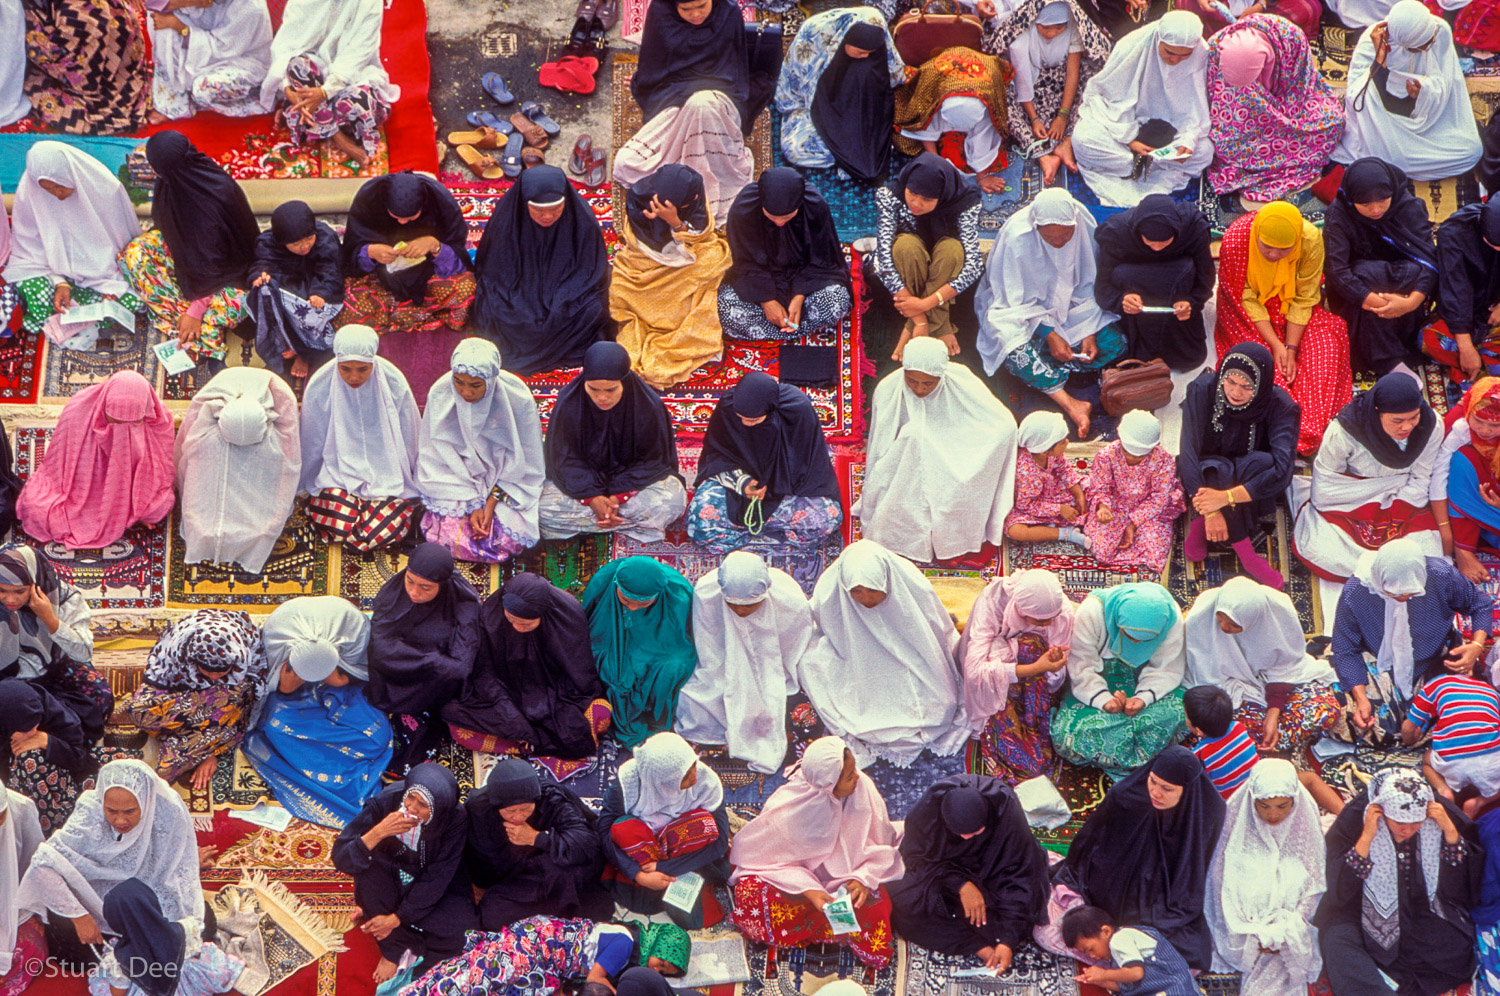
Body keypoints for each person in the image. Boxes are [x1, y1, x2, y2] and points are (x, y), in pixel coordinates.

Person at [729, 737, 905, 968]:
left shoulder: (863, 789)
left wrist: (862, 878)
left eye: (854, 771)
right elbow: (768, 859)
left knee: (875, 907)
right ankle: (833, 927)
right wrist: (809, 889)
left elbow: (879, 843)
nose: (857, 779)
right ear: (828, 785)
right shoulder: (792, 806)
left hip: (849, 879)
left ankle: (821, 926)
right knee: (750, 895)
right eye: (849, 777)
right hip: (801, 884)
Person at [1051, 746, 1227, 971]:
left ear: (1187, 791)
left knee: (1182, 948)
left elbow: (1195, 871)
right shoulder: (1125, 795)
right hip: (1112, 880)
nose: (1155, 792)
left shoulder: (1206, 812)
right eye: (1152, 781)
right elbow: (1088, 842)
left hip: (1165, 893)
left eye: (1167, 788)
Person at [16, 760, 208, 962]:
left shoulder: (167, 809)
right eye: (112, 811)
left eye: (129, 812)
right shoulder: (91, 811)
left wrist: (186, 861)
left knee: (198, 926)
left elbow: (175, 858)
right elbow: (42, 863)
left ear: (146, 801)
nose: (120, 821)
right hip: (95, 900)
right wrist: (80, 917)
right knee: (72, 948)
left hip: (144, 900)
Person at [797, 539, 968, 766]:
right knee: (809, 663)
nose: (866, 599)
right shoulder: (830, 590)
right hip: (855, 654)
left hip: (912, 653)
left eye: (874, 590)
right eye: (856, 591)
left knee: (940, 703)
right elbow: (827, 628)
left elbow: (935, 631)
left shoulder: (910, 584)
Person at [1315, 768, 1482, 996]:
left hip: (1425, 908)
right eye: (1399, 822)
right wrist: (1367, 838)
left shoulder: (1436, 813)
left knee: (1457, 950)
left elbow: (1460, 887)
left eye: (1416, 823)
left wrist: (1449, 830)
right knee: (1338, 943)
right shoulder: (1357, 818)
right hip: (1361, 911)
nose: (1408, 830)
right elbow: (1339, 893)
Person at [858, 336, 1017, 563]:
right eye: (912, 381)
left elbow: (1003, 424)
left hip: (953, 451)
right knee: (912, 440)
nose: (919, 389)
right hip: (905, 463)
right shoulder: (887, 389)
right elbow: (881, 443)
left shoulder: (961, 378)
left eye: (928, 383)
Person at [978, 190, 1122, 436]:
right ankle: (1070, 402)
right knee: (1009, 345)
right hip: (1021, 315)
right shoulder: (1017, 236)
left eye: (1066, 235)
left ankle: (1051, 369)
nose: (1059, 241)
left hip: (1072, 310)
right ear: (1036, 227)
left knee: (1115, 342)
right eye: (1050, 237)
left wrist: (1088, 330)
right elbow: (1011, 301)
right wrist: (1048, 333)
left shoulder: (1082, 221)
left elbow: (1088, 283)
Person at [1214, 202, 1352, 456]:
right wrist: (1276, 346)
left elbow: (1306, 297)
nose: (1274, 255)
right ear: (1256, 237)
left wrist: (1291, 347)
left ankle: (1307, 428)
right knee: (1260, 366)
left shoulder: (1309, 239)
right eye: (1267, 248)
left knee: (1327, 338)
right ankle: (1290, 429)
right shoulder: (1237, 241)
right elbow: (1243, 299)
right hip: (1246, 314)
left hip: (1292, 309)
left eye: (1284, 250)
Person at [244, 595, 392, 828]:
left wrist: (336, 679)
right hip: (294, 701)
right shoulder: (278, 643)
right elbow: (264, 698)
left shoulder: (351, 632)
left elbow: (359, 674)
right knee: (273, 727)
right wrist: (285, 688)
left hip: (343, 690)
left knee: (375, 738)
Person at [120, 132, 257, 373]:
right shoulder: (174, 179)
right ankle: (189, 326)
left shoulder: (214, 199)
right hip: (189, 263)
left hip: (230, 278)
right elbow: (165, 225)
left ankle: (191, 326)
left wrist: (196, 310)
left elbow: (215, 267)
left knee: (231, 307)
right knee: (136, 254)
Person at [332, 762, 479, 984]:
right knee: (368, 870)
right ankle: (395, 949)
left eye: (423, 804)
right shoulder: (388, 800)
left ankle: (388, 921)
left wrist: (396, 918)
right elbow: (342, 858)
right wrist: (379, 831)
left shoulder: (455, 818)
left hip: (433, 882)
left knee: (462, 937)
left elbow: (437, 877)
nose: (411, 808)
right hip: (388, 873)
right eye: (410, 797)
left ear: (439, 808)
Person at [1332, 537, 1494, 736]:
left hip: (1437, 659)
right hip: (1381, 665)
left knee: (1470, 717)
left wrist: (1476, 646)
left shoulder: (1440, 574)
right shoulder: (1356, 591)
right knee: (1353, 719)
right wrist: (1361, 698)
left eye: (1411, 593)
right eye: (1393, 593)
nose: (1402, 599)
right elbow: (1345, 648)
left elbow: (1480, 604)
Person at [1292, 372, 1444, 582]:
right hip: (1350, 504)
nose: (1407, 427)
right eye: (1397, 420)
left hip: (1401, 500)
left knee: (1428, 555)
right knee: (1323, 552)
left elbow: (1422, 477)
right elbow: (1326, 488)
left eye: (1413, 417)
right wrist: (1371, 501)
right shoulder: (1344, 431)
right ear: (1377, 412)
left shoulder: (1431, 426)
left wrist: (1395, 508)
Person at [442, 574, 610, 761]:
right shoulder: (493, 612)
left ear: (543, 615)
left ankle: (522, 741)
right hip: (505, 686)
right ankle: (525, 737)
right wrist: (507, 709)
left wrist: (544, 705)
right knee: (451, 710)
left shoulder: (567, 616)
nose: (516, 627)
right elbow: (484, 669)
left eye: (525, 624)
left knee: (583, 727)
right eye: (511, 620)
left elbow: (577, 671)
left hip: (554, 691)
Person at [890, 775, 1049, 972]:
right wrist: (961, 885)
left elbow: (1019, 872)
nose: (966, 839)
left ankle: (988, 937)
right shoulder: (930, 811)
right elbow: (916, 859)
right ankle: (977, 945)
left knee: (1022, 913)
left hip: (994, 876)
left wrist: (1007, 940)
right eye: (960, 833)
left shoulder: (1005, 810)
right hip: (946, 875)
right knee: (903, 902)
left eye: (975, 833)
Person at [675, 551, 811, 773]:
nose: (740, 611)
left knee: (802, 699)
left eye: (749, 605)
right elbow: (709, 648)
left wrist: (766, 680)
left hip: (778, 669)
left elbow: (794, 647)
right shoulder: (707, 592)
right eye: (732, 604)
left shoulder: (789, 597)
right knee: (692, 700)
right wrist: (735, 680)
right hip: (722, 665)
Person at [1177, 344, 1300, 588]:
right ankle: (1245, 551)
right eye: (1230, 381)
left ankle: (1207, 527)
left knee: (1263, 462)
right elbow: (1188, 450)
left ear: (1262, 385)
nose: (1235, 392)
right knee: (1214, 467)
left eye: (1247, 386)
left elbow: (1282, 470)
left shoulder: (1281, 406)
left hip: (1249, 477)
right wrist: (1210, 510)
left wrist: (1226, 498)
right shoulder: (1202, 390)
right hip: (1208, 473)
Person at [618, 0, 752, 221]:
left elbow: (735, 66)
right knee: (626, 164)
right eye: (686, 9)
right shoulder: (661, 12)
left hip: (717, 97)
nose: (696, 15)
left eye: (701, 6)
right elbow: (654, 62)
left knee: (702, 104)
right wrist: (641, 79)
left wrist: (700, 95)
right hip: (673, 96)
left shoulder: (728, 12)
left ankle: (694, 186)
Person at [539, 342, 686, 544]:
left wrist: (618, 497)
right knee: (541, 507)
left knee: (673, 500)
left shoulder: (649, 406)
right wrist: (592, 498)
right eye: (593, 389)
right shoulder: (568, 402)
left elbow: (654, 461)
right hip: (581, 484)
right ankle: (627, 523)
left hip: (632, 487)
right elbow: (563, 460)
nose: (602, 397)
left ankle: (601, 520)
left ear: (624, 381)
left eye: (610, 389)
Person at [1064, 12, 1213, 208]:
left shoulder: (1200, 53)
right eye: (1169, 52)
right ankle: (1142, 165)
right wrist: (1130, 139)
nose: (1175, 60)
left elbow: (1197, 108)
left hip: (1168, 136)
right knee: (1083, 140)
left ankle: (1140, 165)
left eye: (1184, 55)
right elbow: (1111, 97)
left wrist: (1188, 139)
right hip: (1124, 129)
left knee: (1205, 152)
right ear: (1158, 39)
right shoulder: (1132, 45)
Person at [1183, 577, 1342, 761]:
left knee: (1326, 709)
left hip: (1276, 684)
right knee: (1221, 725)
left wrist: (1273, 714)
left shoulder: (1276, 612)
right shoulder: (1204, 613)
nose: (1224, 627)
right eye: (1220, 619)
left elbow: (1285, 666)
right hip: (1228, 694)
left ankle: (1252, 746)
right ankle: (1261, 744)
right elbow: (1207, 679)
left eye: (1234, 624)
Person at [473, 166, 612, 376]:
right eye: (538, 210)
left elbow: (591, 272)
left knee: (593, 309)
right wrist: (521, 302)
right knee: (493, 309)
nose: (547, 216)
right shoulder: (506, 223)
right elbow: (495, 274)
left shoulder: (583, 222)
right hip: (517, 291)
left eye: (556, 208)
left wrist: (561, 300)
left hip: (568, 293)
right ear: (524, 204)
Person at [415, 338, 544, 564]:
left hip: (505, 485)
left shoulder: (517, 398)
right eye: (459, 382)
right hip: (456, 485)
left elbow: (526, 462)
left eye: (475, 385)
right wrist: (472, 502)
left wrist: (491, 501)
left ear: (491, 381)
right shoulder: (441, 393)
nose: (465, 392)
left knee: (503, 539)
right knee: (446, 536)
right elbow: (435, 457)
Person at [1205, 759, 1327, 993]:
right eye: (1264, 805)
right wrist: (1254, 934)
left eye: (1282, 806)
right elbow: (1219, 881)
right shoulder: (1235, 816)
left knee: (1292, 875)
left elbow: (1314, 882)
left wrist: (1288, 927)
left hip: (1288, 918)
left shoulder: (1304, 819)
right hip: (1245, 922)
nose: (1273, 815)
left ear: (1295, 799)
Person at [16, 370, 174, 550]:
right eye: (114, 422)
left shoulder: (160, 419)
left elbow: (161, 464)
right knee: (38, 510)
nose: (122, 431)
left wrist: (138, 503)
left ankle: (133, 513)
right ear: (103, 409)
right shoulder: (77, 410)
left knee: (161, 505)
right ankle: (125, 516)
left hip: (136, 480)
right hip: (85, 485)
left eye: (132, 424)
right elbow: (63, 461)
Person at [3, 142, 142, 346]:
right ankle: (73, 310)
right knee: (35, 293)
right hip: (51, 271)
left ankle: (85, 309)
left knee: (132, 302)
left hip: (102, 276)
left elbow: (121, 247)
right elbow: (31, 249)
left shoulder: (104, 189)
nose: (57, 194)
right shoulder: (32, 193)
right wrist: (60, 282)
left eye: (60, 186)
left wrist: (111, 286)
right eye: (49, 190)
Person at [0, 545, 110, 804]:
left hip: (53, 673)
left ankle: (48, 736)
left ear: (36, 584)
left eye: (19, 591)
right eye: (2, 591)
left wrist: (48, 617)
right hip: (7, 684)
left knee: (98, 696)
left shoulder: (65, 598)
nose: (10, 600)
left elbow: (82, 651)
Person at [687, 372, 843, 553]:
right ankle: (774, 534)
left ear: (771, 410)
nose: (744, 423)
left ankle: (745, 533)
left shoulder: (797, 410)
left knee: (827, 518)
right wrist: (742, 482)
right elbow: (716, 454)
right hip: (737, 486)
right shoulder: (729, 405)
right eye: (740, 418)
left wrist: (775, 484)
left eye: (752, 420)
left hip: (790, 490)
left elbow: (807, 465)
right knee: (698, 521)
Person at [298, 325, 422, 552]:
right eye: (345, 369)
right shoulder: (320, 383)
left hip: (388, 477)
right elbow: (312, 438)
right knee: (339, 523)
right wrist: (306, 477)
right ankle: (349, 523)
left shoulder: (393, 380)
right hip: (336, 476)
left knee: (376, 532)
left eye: (363, 369)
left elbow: (409, 431)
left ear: (373, 363)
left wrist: (415, 473)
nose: (353, 377)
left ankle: (362, 527)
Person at [611, 165, 733, 391]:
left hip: (685, 254)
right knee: (622, 289)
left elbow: (701, 232)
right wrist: (659, 223)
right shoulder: (640, 196)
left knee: (716, 257)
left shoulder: (693, 196)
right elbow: (646, 244)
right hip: (647, 262)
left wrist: (675, 222)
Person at [1333, 1, 1483, 183]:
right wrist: (1380, 62)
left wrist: (1424, 91)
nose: (1431, 45)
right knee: (1390, 158)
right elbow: (1358, 101)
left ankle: (1396, 164)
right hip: (1388, 125)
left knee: (1471, 150)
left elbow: (1448, 85)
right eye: (1419, 47)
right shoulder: (1369, 43)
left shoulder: (1439, 30)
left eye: (1430, 40)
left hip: (1432, 119)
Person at [1050, 582, 1188, 778]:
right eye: (1128, 635)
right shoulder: (1092, 612)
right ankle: (1142, 749)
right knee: (1066, 736)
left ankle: (1116, 745)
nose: (1135, 644)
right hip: (1098, 686)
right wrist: (1105, 702)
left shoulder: (1169, 616)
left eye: (1145, 640)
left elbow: (1167, 668)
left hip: (1145, 683)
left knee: (1184, 710)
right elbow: (1082, 667)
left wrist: (1142, 699)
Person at [122, 609, 269, 789]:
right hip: (192, 701)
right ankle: (204, 745)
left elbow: (254, 694)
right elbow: (156, 686)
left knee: (170, 765)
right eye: (207, 671)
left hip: (229, 699)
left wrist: (217, 695)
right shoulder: (176, 649)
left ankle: (200, 746)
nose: (214, 678)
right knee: (139, 713)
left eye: (222, 672)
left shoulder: (245, 645)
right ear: (193, 660)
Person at [1204, 15, 1343, 206]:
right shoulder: (1216, 48)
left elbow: (1300, 88)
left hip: (1293, 105)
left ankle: (1264, 158)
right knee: (1225, 146)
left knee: (1333, 122)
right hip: (1241, 111)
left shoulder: (1290, 37)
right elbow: (1219, 105)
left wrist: (1280, 118)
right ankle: (1281, 156)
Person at [368, 543, 481, 776]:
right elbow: (380, 645)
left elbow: (461, 664)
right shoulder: (394, 591)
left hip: (435, 672)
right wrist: (428, 659)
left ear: (442, 584)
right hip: (411, 662)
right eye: (410, 581)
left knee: (456, 680)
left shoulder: (462, 602)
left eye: (426, 588)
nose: (414, 593)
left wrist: (433, 662)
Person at [174, 367, 300, 574]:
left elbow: (286, 474)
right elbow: (193, 477)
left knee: (262, 530)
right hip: (219, 438)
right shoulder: (205, 437)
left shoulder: (275, 440)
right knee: (202, 526)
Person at [598, 732, 730, 927]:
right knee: (623, 827)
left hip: (682, 849)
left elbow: (719, 843)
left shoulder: (705, 782)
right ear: (662, 781)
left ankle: (668, 881)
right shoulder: (629, 782)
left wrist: (663, 868)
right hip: (644, 851)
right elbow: (604, 830)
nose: (694, 777)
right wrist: (638, 875)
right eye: (685, 776)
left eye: (693, 765)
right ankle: (653, 885)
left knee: (705, 824)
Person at [464, 758, 611, 929]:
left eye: (526, 809)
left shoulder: (550, 799)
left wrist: (537, 838)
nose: (518, 817)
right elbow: (479, 861)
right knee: (492, 915)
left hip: (549, 871)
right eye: (510, 811)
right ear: (496, 805)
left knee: (586, 895)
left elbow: (585, 842)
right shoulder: (479, 809)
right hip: (517, 882)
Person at [1323, 159, 1438, 378]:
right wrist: (1382, 305)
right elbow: (1337, 271)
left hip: (1402, 288)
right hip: (1361, 293)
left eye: (1383, 201)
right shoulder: (1339, 216)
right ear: (1351, 199)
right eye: (1365, 205)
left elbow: (1430, 260)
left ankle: (1396, 347)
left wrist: (1410, 303)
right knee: (1366, 274)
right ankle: (1387, 360)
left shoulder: (1408, 206)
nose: (1376, 210)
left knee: (1416, 273)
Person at [959, 569, 1075, 784]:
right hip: (996, 681)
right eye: (1040, 621)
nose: (1048, 624)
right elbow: (974, 671)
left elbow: (1054, 683)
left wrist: (1054, 666)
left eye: (1052, 619)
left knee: (1033, 645)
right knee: (1024, 764)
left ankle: (1029, 724)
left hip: (1032, 681)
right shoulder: (995, 602)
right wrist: (1034, 668)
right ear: (1021, 610)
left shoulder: (1061, 613)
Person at [395, 917, 693, 996]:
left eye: (666, 972)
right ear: (656, 946)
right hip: (538, 946)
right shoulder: (625, 943)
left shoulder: (627, 954)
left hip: (543, 955)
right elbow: (594, 981)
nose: (658, 971)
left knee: (495, 982)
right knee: (482, 976)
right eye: (662, 962)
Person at [870, 154, 984, 359]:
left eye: (927, 199)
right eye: (912, 193)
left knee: (953, 250)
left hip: (944, 265)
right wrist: (920, 317)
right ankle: (939, 325)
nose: (916, 203)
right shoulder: (890, 196)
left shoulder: (965, 202)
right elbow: (883, 258)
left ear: (943, 195)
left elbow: (974, 266)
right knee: (905, 246)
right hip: (909, 264)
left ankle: (910, 327)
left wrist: (925, 304)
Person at [258, 0, 398, 166]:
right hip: (313, 68)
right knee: (296, 67)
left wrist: (325, 92)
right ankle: (339, 137)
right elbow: (285, 45)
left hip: (351, 75)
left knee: (358, 103)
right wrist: (287, 88)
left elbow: (359, 53)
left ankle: (297, 112)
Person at [718, 169, 852, 342]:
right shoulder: (744, 208)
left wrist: (800, 295)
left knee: (837, 301)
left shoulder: (815, 206)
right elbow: (742, 261)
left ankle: (777, 330)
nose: (780, 223)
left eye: (788, 216)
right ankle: (795, 330)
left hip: (808, 278)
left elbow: (823, 259)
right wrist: (766, 301)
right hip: (756, 281)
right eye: (772, 216)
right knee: (725, 309)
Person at [987, 0, 1111, 185]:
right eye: (1044, 27)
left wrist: (1063, 115)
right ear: (1035, 20)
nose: (1051, 34)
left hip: (1062, 88)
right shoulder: (1021, 34)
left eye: (1058, 27)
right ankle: (1043, 156)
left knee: (1093, 83)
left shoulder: (1074, 28)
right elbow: (1022, 79)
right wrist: (1034, 118)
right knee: (1000, 93)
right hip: (1028, 92)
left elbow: (1072, 74)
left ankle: (1067, 142)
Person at [338, 172, 475, 340]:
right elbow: (350, 253)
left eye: (411, 218)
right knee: (345, 302)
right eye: (395, 217)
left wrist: (434, 245)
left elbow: (459, 259)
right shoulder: (370, 199)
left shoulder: (440, 203)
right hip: (380, 281)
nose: (402, 223)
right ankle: (421, 317)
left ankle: (393, 319)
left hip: (428, 279)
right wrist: (370, 252)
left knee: (466, 289)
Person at [580, 557, 697, 749]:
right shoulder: (604, 581)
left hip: (661, 642)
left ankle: (656, 722)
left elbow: (683, 638)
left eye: (642, 604)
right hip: (611, 635)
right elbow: (589, 622)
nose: (632, 607)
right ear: (616, 586)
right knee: (612, 668)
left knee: (673, 667)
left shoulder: (678, 593)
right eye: (626, 600)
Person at [775, 10, 905, 182]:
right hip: (820, 107)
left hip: (860, 115)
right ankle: (846, 156)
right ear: (842, 41)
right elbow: (794, 88)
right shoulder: (817, 36)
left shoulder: (874, 25)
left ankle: (848, 156)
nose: (866, 56)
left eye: (870, 52)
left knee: (878, 150)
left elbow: (890, 82)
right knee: (795, 149)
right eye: (860, 52)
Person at [1091, 194, 1215, 372]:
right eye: (1149, 242)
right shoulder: (1116, 233)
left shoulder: (1193, 229)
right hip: (1133, 298)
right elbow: (1102, 286)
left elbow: (1205, 275)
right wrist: (1122, 300)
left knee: (1189, 358)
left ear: (1177, 232)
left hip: (1176, 293)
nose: (1156, 249)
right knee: (1127, 358)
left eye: (1164, 242)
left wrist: (1191, 302)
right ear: (1138, 231)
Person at [88, 878, 245, 996]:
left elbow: (118, 992)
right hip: (185, 984)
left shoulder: (121, 958)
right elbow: (197, 953)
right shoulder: (185, 928)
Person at [249, 201, 346, 381]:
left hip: (317, 283)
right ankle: (291, 341)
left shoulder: (324, 236)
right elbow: (263, 264)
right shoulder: (268, 243)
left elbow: (330, 270)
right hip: (288, 284)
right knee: (266, 294)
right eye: (296, 243)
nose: (305, 246)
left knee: (314, 312)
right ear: (281, 241)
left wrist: (321, 293)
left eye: (309, 239)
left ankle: (304, 354)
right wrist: (260, 275)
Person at [894, 47, 1012, 193]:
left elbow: (984, 136)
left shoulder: (988, 102)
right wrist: (936, 165)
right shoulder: (933, 92)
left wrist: (981, 175)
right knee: (907, 141)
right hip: (943, 76)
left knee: (985, 153)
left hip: (981, 81)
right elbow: (924, 125)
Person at [22, 0, 150, 133]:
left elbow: (81, 76)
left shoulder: (78, 12)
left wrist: (31, 43)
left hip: (102, 83)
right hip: (123, 71)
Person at [1081, 410, 1185, 571]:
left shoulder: (1164, 461)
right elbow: (1100, 487)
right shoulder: (1106, 455)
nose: (1133, 459)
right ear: (1118, 435)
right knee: (1101, 550)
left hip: (1148, 511)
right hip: (1115, 506)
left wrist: (1133, 523)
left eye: (1140, 456)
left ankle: (1136, 546)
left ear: (1155, 446)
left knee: (1156, 555)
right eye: (1127, 452)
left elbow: (1159, 499)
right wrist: (1103, 507)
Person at [1404, 658, 1500, 815]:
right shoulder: (1490, 690)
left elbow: (1408, 728)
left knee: (1426, 760)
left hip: (1452, 763)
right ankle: (1479, 802)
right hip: (1492, 764)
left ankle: (1444, 791)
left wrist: (1410, 740)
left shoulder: (1435, 683)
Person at [149, 0, 272, 120]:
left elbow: (222, 49)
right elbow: (152, 3)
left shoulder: (251, 8)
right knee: (164, 22)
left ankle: (252, 96)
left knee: (203, 89)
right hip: (205, 46)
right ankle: (174, 101)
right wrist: (188, 2)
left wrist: (180, 27)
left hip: (241, 61)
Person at [0, 679, 93, 835]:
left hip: (59, 783)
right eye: (25, 730)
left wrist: (47, 741)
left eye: (36, 725)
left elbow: (79, 757)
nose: (32, 732)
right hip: (10, 789)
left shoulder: (52, 713)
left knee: (30, 758)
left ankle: (48, 825)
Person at [1433, 200, 1500, 386]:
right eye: (1493, 244)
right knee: (1430, 339)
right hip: (1463, 312)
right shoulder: (1455, 234)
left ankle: (1484, 362)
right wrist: (1466, 347)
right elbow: (1455, 290)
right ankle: (1482, 359)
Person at [1062, 906, 1200, 996]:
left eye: (1091, 949)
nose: (1092, 956)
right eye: (1087, 953)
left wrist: (1103, 974)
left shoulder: (1120, 939)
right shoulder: (1119, 959)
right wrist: (1098, 981)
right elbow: (1125, 986)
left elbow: (1136, 973)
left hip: (1175, 989)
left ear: (1105, 931)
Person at [1005, 411, 1090, 551]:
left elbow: (1064, 468)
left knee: (1090, 487)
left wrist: (1078, 494)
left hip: (1051, 490)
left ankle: (1051, 523)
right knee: (1015, 530)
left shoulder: (1048, 453)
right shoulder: (1026, 473)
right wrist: (1059, 509)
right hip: (1028, 504)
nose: (1067, 442)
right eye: (1062, 442)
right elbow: (1025, 505)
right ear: (1045, 451)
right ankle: (1065, 533)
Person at [1443, 377, 1500, 581]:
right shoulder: (1459, 426)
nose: (1485, 431)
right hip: (1478, 502)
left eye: (1494, 425)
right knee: (1461, 461)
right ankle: (1464, 550)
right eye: (1479, 421)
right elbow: (1437, 473)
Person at [0, 786, 45, 995]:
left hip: (13, 903)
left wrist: (31, 910)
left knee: (28, 949)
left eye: (1, 816)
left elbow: (35, 865)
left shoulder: (22, 808)